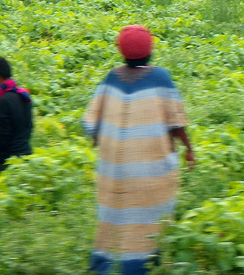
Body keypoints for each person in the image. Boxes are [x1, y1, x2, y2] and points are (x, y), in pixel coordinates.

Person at [83, 25, 195, 275]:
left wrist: (99, 139)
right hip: (150, 172)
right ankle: (146, 264)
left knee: (114, 215)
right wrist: (189, 150)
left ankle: (107, 262)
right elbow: (177, 123)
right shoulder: (162, 78)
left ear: (121, 51)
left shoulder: (111, 77)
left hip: (113, 169)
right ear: (150, 50)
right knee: (150, 219)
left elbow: (91, 121)